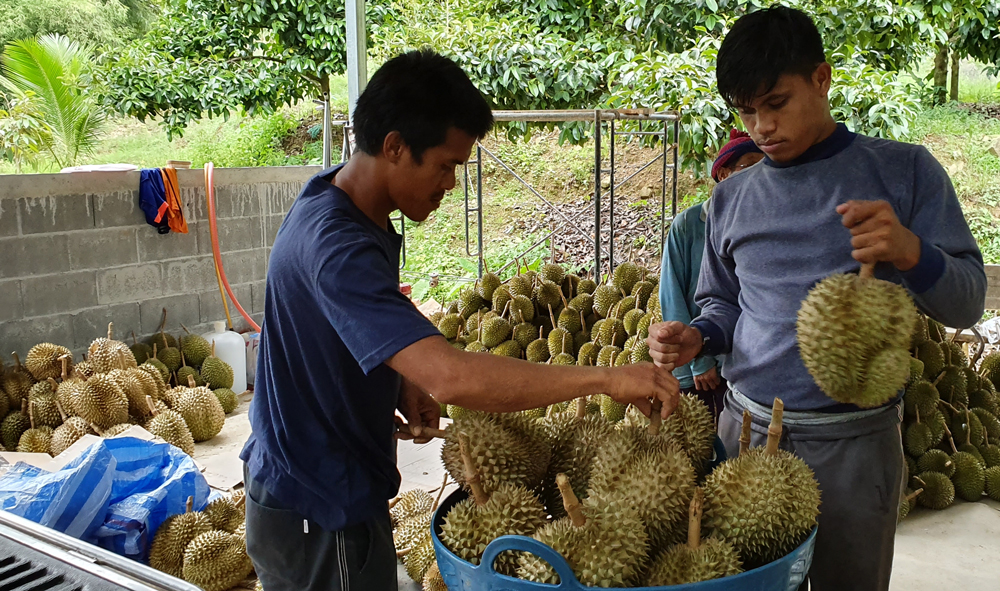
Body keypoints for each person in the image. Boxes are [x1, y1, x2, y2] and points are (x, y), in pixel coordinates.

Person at [239, 49, 680, 591]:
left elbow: (333, 328)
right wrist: (607, 377)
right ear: (395, 146)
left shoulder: (343, 204)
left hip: (308, 485)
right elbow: (454, 377)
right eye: (445, 165)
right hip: (320, 507)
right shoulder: (339, 245)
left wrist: (399, 376)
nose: (451, 183)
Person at [646, 7, 986, 591]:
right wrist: (697, 336)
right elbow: (723, 305)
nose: (761, 127)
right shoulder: (732, 201)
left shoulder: (904, 173)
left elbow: (968, 303)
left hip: (854, 444)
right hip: (747, 432)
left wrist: (911, 251)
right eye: (746, 111)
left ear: (821, 80)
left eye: (776, 103)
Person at [659, 129, 763, 423]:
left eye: (765, 165)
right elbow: (673, 295)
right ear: (724, 174)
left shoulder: (760, 226)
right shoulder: (688, 224)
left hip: (741, 361)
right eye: (750, 165)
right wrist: (697, 360)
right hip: (697, 361)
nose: (760, 175)